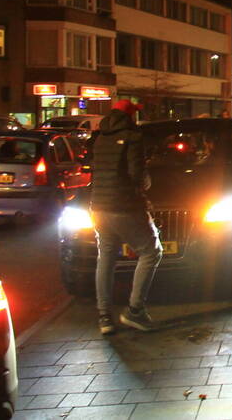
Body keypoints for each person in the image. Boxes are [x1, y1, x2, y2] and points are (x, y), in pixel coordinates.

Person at [90, 99, 161, 335]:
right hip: (124, 206)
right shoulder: (133, 138)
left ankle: (104, 317)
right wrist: (148, 183)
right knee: (151, 251)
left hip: (99, 207)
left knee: (106, 257)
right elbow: (136, 175)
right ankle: (135, 311)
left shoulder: (100, 137)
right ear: (130, 117)